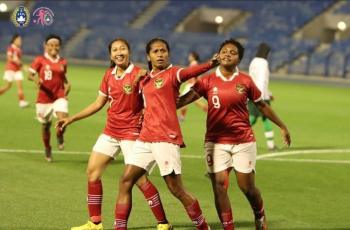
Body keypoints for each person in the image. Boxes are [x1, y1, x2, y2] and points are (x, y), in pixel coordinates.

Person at [56, 38, 171, 230]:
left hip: (132, 134)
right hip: (110, 132)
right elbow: (97, 104)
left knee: (139, 179)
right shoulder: (109, 75)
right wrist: (71, 118)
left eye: (123, 49)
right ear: (110, 55)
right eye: (115, 50)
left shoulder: (140, 74)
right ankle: (95, 222)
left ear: (129, 52)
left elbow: (155, 97)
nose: (119, 52)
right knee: (92, 172)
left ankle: (163, 223)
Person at [177, 38, 291, 230]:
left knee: (247, 187)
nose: (227, 54)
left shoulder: (245, 80)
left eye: (233, 52)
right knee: (219, 186)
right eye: (224, 51)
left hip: (242, 141)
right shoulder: (207, 80)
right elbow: (183, 100)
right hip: (215, 142)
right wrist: (158, 99)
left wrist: (282, 126)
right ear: (218, 55)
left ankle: (259, 214)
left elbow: (262, 106)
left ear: (239, 59)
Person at [114, 38, 219, 230]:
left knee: (176, 189)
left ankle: (203, 227)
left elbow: (190, 72)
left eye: (163, 51)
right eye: (155, 51)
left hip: (165, 138)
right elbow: (131, 104)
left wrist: (211, 64)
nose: (160, 54)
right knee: (126, 180)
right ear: (148, 56)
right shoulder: (144, 79)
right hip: (145, 138)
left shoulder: (173, 73)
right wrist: (136, 81)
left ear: (168, 53)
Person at [28, 34, 71, 162]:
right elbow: (30, 75)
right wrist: (36, 80)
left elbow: (64, 79)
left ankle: (59, 135)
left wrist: (67, 87)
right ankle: (47, 147)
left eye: (57, 45)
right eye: (51, 45)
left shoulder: (63, 62)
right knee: (46, 126)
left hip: (59, 96)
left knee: (63, 120)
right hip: (43, 99)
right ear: (45, 46)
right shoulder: (39, 60)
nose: (54, 47)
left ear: (60, 47)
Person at [248, 43, 276, 150]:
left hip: (252, 93)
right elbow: (263, 80)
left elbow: (252, 79)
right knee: (255, 119)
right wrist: (264, 95)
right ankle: (235, 137)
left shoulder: (253, 62)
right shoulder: (264, 62)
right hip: (261, 96)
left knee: (263, 118)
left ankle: (271, 144)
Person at [0, 34, 29, 108]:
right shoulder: (11, 48)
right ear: (14, 40)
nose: (20, 41)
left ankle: (22, 102)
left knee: (20, 86)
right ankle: (22, 102)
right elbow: (9, 58)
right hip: (10, 69)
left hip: (17, 70)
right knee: (7, 86)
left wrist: (22, 66)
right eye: (18, 40)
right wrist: (16, 61)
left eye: (20, 40)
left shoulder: (19, 50)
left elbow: (19, 62)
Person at [178, 51, 207, 122]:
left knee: (183, 100)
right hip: (191, 84)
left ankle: (182, 117)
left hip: (191, 85)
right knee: (195, 102)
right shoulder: (195, 64)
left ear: (193, 57)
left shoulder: (194, 64)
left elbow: (197, 75)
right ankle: (182, 117)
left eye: (190, 56)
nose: (189, 57)